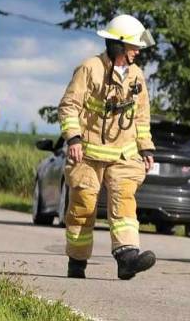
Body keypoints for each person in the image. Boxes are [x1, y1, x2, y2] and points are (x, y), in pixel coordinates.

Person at [58, 14, 158, 281]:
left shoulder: (136, 76)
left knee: (124, 202)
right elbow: (69, 106)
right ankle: (77, 263)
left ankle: (127, 258)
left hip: (124, 153)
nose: (137, 51)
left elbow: (141, 117)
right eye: (133, 46)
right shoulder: (90, 69)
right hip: (88, 153)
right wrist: (74, 139)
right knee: (83, 206)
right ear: (118, 45)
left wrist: (146, 149)